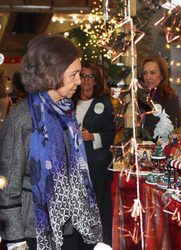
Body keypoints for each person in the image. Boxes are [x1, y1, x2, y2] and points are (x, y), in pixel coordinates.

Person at [0, 34, 103, 250]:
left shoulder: (66, 111)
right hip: (33, 232)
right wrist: (15, 241)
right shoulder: (22, 119)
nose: (79, 81)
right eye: (74, 74)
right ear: (50, 74)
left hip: (70, 227)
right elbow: (7, 187)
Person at [74, 61, 115, 247]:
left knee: (98, 208)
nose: (86, 80)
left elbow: (111, 134)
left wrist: (92, 136)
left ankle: (100, 243)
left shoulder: (103, 103)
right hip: (73, 164)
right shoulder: (70, 102)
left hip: (96, 166)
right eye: (83, 75)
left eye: (91, 76)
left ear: (97, 80)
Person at [139, 55, 181, 140]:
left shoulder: (170, 99)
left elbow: (173, 131)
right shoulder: (140, 97)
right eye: (145, 73)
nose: (148, 77)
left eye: (152, 73)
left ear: (162, 76)